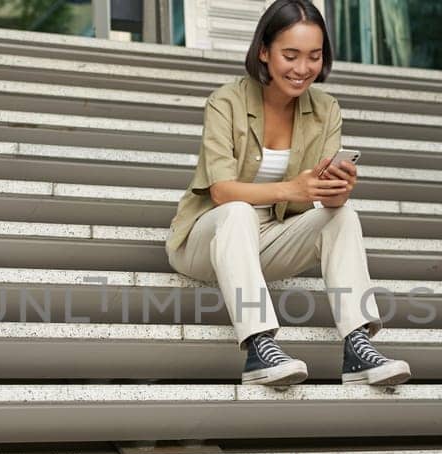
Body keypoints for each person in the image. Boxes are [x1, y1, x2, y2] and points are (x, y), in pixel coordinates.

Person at [167, 0, 410, 387]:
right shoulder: (226, 102)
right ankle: (259, 346)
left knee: (344, 216)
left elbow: (318, 201)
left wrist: (336, 192)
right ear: (264, 51)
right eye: (290, 55)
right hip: (207, 238)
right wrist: (293, 187)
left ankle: (357, 346)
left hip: (271, 239)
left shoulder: (326, 109)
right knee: (238, 211)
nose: (302, 69)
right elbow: (221, 191)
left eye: (314, 56)